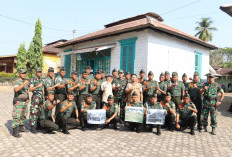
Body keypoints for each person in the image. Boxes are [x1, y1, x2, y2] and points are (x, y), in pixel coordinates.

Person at [12, 69, 30, 138]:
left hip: (25, 101)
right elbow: (16, 89)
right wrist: (23, 84)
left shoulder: (25, 81)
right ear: (19, 74)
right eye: (22, 73)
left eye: (25, 73)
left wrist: (28, 98)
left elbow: (26, 90)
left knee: (23, 115)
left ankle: (21, 127)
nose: (24, 74)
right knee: (17, 116)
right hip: (18, 101)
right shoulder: (17, 81)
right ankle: (14, 131)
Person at [29, 67, 44, 133]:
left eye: (40, 72)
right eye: (38, 72)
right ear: (36, 72)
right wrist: (37, 86)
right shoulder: (33, 79)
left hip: (41, 98)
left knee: (39, 112)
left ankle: (37, 126)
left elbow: (42, 89)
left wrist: (43, 98)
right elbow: (30, 89)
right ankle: (32, 127)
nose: (39, 73)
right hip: (35, 97)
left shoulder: (41, 80)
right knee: (34, 112)